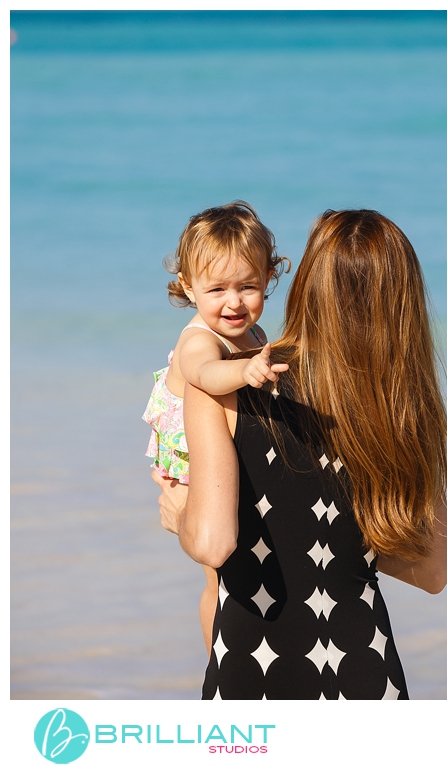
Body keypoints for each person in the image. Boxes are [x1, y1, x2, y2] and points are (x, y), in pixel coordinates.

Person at [155, 209, 447, 699]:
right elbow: (433, 571)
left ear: (303, 282)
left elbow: (212, 544)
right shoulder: (406, 405)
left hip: (253, 668)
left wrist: (181, 513)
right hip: (366, 669)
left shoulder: (225, 386)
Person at [143, 201, 290, 655]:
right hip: (187, 460)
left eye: (248, 286)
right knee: (218, 575)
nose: (234, 302)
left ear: (268, 277)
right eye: (217, 289)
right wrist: (245, 374)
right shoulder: (199, 340)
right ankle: (218, 663)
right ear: (188, 286)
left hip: (219, 449)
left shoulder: (256, 333)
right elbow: (206, 376)